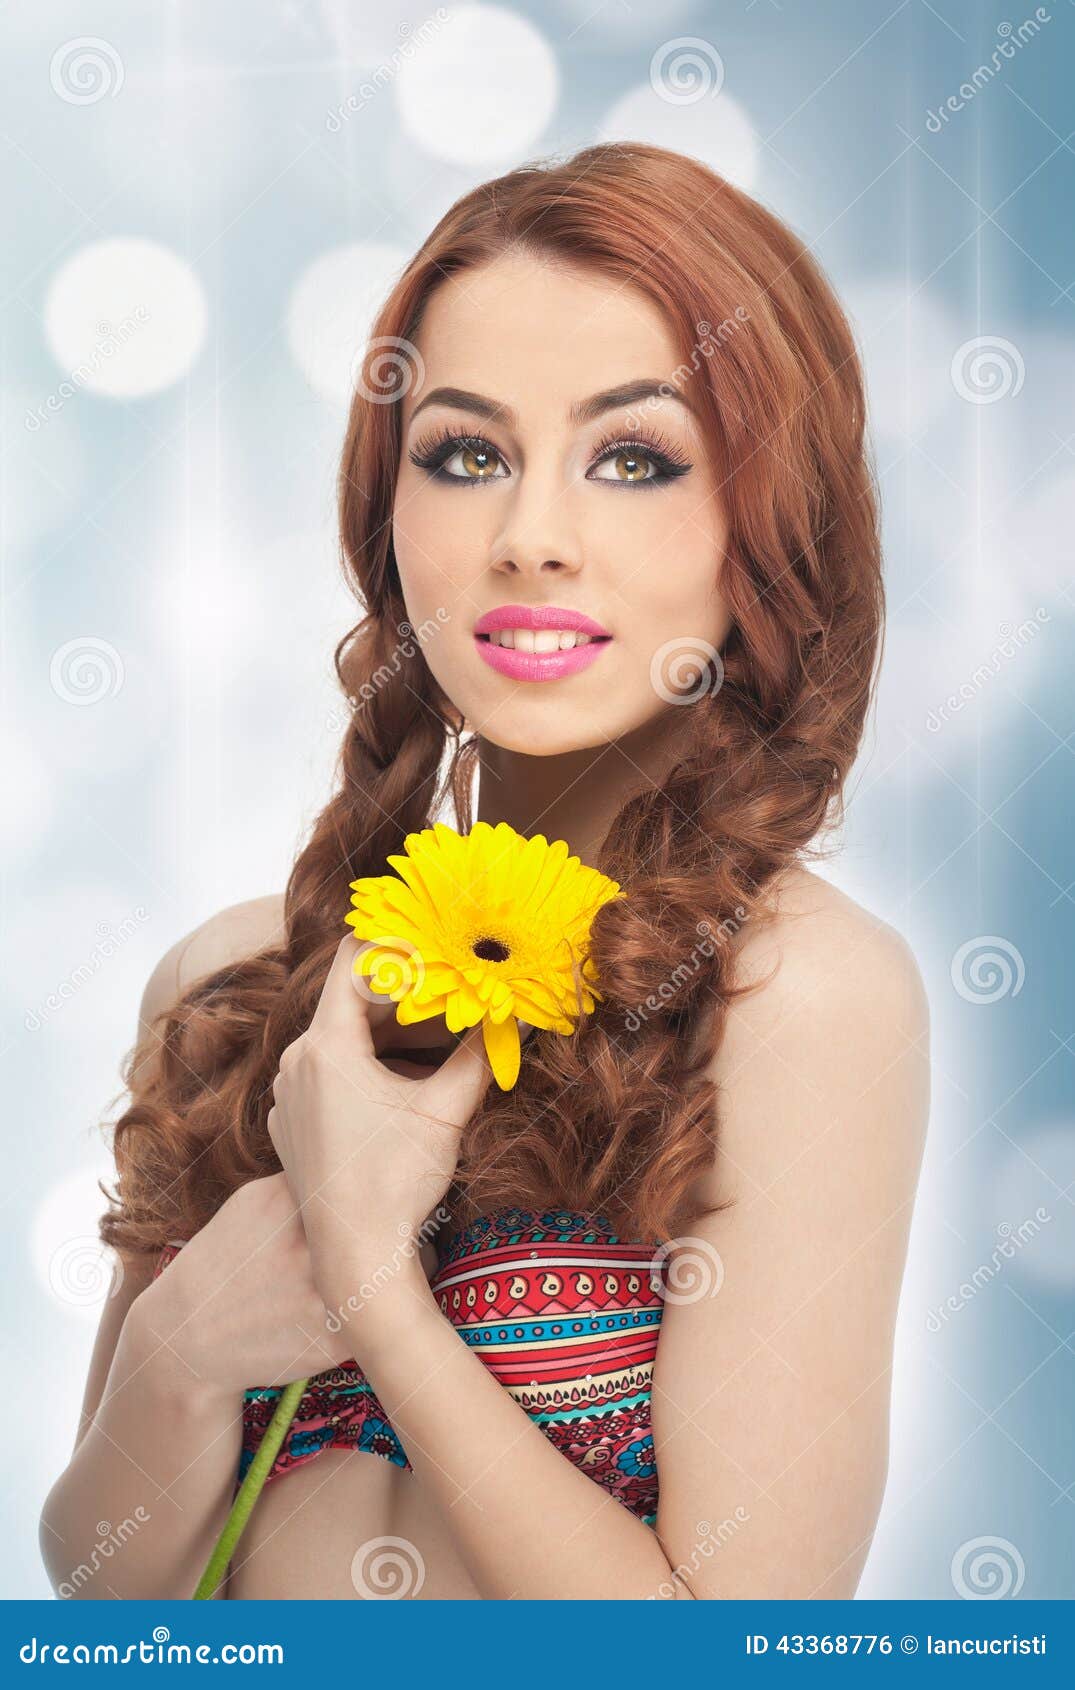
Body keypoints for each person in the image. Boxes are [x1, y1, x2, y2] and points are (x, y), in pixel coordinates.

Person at [41, 142, 929, 1601]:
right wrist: (183, 1350)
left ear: (770, 527)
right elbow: (100, 1583)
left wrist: (375, 1284)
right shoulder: (231, 980)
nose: (530, 539)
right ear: (390, 515)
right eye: (467, 454)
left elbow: (722, 1645)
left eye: (633, 458)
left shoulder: (798, 999)